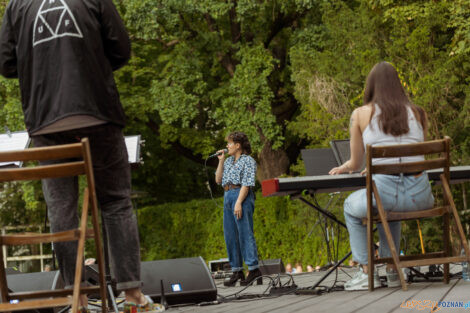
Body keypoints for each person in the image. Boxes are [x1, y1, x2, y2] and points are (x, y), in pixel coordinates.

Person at [0, 1, 163, 312]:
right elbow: (122, 50)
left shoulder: (18, 5)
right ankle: (132, 298)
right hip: (97, 112)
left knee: (61, 210)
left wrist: (40, 66)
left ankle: (77, 299)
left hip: (46, 119)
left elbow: (5, 63)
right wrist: (90, 60)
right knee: (115, 202)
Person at [329, 61, 434, 291]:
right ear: (398, 85)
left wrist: (346, 166)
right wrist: (381, 166)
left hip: (386, 195)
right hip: (421, 197)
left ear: (371, 87)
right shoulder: (419, 113)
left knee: (350, 206)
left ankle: (367, 272)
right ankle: (392, 270)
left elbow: (356, 163)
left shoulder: (360, 114)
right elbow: (414, 155)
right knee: (388, 207)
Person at [215, 132, 262, 287]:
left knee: (244, 233)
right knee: (230, 235)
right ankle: (237, 270)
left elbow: (247, 183)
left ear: (238, 145)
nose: (227, 146)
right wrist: (221, 162)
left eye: (230, 143)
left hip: (241, 196)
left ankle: (254, 270)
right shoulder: (228, 161)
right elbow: (218, 180)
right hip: (227, 195)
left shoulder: (248, 161)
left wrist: (239, 202)